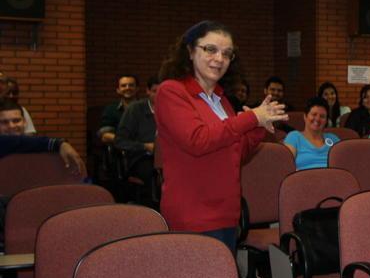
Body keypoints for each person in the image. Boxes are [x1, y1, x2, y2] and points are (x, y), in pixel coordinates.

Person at [155, 20, 285, 251]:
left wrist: (259, 127)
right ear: (190, 51)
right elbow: (198, 140)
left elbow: (237, 152)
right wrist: (251, 118)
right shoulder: (172, 91)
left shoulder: (221, 99)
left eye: (227, 54)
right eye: (211, 50)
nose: (219, 59)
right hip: (194, 214)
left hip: (226, 212)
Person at [114, 77, 160, 199]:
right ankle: (154, 210)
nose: (160, 95)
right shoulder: (135, 109)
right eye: (155, 91)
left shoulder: (173, 110)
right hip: (141, 158)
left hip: (166, 157)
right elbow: (119, 141)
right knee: (154, 174)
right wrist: (144, 146)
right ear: (148, 91)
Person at [283, 97, 340, 170]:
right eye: (314, 114)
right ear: (305, 116)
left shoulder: (334, 139)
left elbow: (343, 164)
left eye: (322, 116)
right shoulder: (294, 137)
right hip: (303, 180)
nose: (317, 119)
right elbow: (286, 166)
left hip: (331, 179)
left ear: (326, 121)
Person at [97, 75, 139, 145]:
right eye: (123, 86)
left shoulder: (146, 108)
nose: (127, 88)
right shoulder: (111, 110)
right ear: (118, 90)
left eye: (131, 85)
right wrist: (128, 142)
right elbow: (105, 135)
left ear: (137, 88)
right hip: (119, 151)